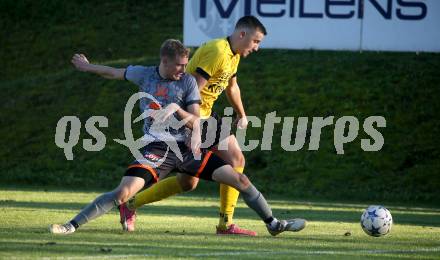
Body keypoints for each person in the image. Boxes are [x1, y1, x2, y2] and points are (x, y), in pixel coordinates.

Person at [49, 39, 306, 236]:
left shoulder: (187, 83)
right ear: (164, 61)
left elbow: (196, 120)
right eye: (180, 65)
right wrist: (86, 67)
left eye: (186, 64)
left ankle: (272, 223)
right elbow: (113, 72)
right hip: (156, 148)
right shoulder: (144, 74)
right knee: (122, 192)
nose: (185, 70)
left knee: (239, 177)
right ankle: (70, 226)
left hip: (186, 147)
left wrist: (176, 110)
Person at [123, 15, 267, 236]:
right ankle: (225, 225)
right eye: (256, 41)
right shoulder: (218, 51)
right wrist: (192, 128)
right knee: (232, 162)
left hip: (207, 117)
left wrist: (242, 114)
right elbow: (191, 90)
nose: (256, 47)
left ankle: (130, 204)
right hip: (196, 118)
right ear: (242, 34)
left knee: (188, 182)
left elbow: (232, 85)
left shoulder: (232, 54)